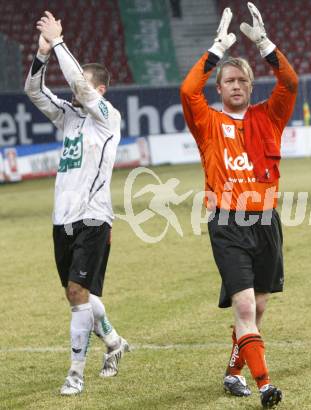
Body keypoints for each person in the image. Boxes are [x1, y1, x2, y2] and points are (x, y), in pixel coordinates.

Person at [180, 3, 298, 408]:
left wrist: (264, 45)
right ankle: (265, 385)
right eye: (228, 80)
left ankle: (233, 373)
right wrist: (214, 51)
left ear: (251, 85)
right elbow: (186, 90)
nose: (235, 85)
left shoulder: (270, 116)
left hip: (266, 221)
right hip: (227, 222)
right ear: (220, 87)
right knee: (245, 304)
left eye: (241, 80)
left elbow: (290, 81)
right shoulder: (207, 122)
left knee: (259, 306)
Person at [24, 11, 129, 395]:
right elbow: (35, 92)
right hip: (62, 219)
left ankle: (75, 372)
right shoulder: (69, 118)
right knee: (81, 293)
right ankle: (114, 343)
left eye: (85, 83)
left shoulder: (107, 118)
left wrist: (60, 42)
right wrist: (41, 55)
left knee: (75, 294)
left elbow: (80, 89)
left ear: (100, 89)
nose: (76, 88)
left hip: (94, 217)